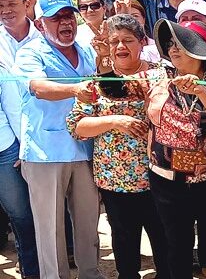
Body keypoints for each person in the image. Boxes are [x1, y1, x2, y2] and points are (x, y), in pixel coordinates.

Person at [95, 18, 206, 279]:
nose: (173, 48)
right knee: (176, 244)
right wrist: (103, 60)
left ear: (199, 48)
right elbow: (114, 89)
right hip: (167, 181)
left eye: (181, 43)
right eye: (169, 43)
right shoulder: (158, 77)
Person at [66, 14, 171, 279]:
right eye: (114, 41)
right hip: (117, 180)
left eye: (128, 40)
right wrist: (114, 121)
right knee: (124, 244)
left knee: (165, 241)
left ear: (142, 42)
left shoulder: (161, 75)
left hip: (160, 175)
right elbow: (77, 126)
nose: (121, 47)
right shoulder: (98, 82)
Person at [14, 0, 104, 279]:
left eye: (68, 16)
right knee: (50, 227)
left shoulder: (87, 50)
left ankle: (90, 273)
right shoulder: (29, 52)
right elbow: (38, 87)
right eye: (56, 19)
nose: (65, 23)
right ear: (41, 24)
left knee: (89, 221)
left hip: (85, 149)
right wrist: (76, 89)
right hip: (46, 151)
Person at [0, 0, 39, 279]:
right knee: (20, 216)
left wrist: (21, 144)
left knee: (29, 215)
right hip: (9, 141)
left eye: (11, 3)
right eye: (0, 5)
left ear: (26, 3)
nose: (5, 10)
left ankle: (35, 271)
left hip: (29, 142)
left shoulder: (44, 39)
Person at [0, 0, 42, 69]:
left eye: (12, 4)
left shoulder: (43, 35)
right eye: (0, 6)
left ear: (26, 5)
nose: (6, 11)